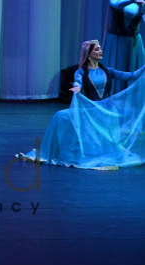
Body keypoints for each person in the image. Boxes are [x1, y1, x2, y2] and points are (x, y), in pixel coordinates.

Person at [19, 40, 145, 169]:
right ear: (89, 54)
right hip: (91, 109)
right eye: (96, 49)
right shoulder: (81, 72)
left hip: (106, 110)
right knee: (60, 116)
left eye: (100, 48)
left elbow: (132, 76)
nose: (100, 51)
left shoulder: (107, 70)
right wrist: (77, 88)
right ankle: (56, 151)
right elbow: (77, 81)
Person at [102, 0, 145, 92]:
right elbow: (116, 5)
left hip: (133, 42)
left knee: (133, 68)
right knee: (117, 66)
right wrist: (132, 0)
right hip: (117, 40)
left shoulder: (141, 4)